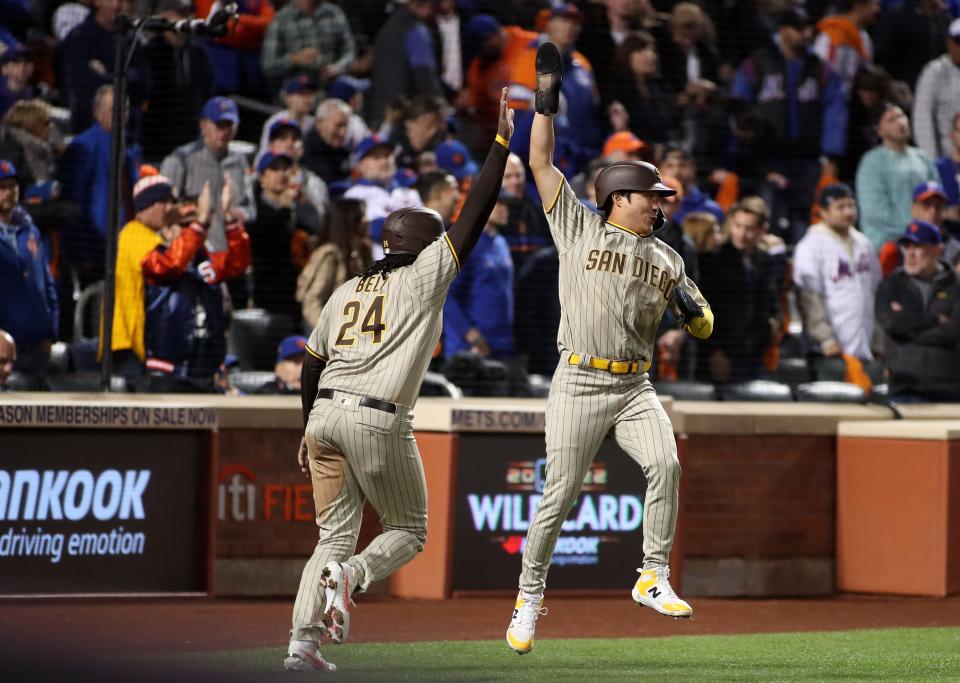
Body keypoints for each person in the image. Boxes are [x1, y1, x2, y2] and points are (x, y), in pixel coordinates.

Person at [283, 88, 514, 673]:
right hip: (377, 416)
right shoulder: (423, 276)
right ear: (423, 246)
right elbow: (475, 214)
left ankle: (300, 648)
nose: (445, 246)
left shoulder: (347, 289)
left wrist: (308, 426)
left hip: (326, 416)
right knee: (409, 530)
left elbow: (310, 364)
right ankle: (353, 576)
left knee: (331, 537)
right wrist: (500, 145)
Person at [504, 43, 713, 656]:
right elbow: (540, 161)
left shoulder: (669, 257)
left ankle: (651, 574)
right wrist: (546, 96)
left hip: (634, 386)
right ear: (621, 196)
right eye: (655, 196)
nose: (662, 203)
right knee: (560, 495)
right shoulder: (579, 225)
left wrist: (694, 313)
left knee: (667, 465)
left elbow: (700, 319)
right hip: (577, 380)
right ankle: (530, 596)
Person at [732, 9, 847, 242]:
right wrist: (750, 157)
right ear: (783, 31)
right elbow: (739, 111)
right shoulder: (757, 64)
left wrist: (830, 155)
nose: (806, 34)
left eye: (807, 28)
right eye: (799, 28)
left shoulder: (819, 68)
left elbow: (835, 110)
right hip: (767, 159)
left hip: (808, 160)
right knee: (768, 221)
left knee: (805, 224)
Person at [108, 175, 221, 385]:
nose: (170, 207)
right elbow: (165, 266)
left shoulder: (151, 236)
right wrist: (199, 224)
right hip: (127, 344)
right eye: (164, 202)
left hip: (140, 342)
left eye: (172, 202)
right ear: (146, 205)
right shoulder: (134, 233)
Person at [142, 185, 252, 393]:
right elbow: (173, 263)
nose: (195, 232)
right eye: (185, 226)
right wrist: (200, 221)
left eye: (199, 226)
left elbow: (239, 263)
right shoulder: (155, 259)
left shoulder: (207, 262)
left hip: (205, 371)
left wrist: (228, 217)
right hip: (168, 371)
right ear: (166, 230)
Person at [793, 184, 881, 370]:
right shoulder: (811, 245)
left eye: (851, 205)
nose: (848, 212)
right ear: (823, 212)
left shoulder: (864, 243)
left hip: (863, 345)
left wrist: (878, 340)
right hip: (829, 350)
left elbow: (876, 292)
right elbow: (809, 298)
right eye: (840, 207)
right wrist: (825, 339)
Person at [58, 85, 141, 276]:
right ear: (97, 112)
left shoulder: (132, 148)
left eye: (125, 109)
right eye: (114, 109)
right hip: (98, 250)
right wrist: (82, 254)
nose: (121, 114)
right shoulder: (83, 148)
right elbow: (74, 204)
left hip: (129, 246)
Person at [875, 220, 960, 402]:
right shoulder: (891, 285)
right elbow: (892, 323)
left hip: (950, 389)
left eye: (918, 247)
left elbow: (955, 331)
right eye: (906, 247)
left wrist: (909, 330)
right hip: (905, 388)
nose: (910, 254)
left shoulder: (956, 286)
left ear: (938, 250)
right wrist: (936, 320)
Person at [697, 200, 779, 384]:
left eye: (749, 228)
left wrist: (774, 322)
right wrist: (714, 351)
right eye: (738, 226)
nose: (742, 234)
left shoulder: (765, 260)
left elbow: (770, 301)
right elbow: (704, 309)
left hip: (755, 352)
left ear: (762, 230)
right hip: (722, 351)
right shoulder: (713, 259)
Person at [160, 96, 254, 251]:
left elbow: (250, 208)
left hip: (231, 253)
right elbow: (164, 211)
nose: (224, 131)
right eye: (219, 125)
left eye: (229, 125)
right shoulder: (181, 159)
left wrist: (241, 214)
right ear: (203, 125)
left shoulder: (240, 161)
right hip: (194, 253)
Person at [0, 160, 57, 378]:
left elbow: (46, 281)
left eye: (12, 186)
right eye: (2, 187)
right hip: (4, 347)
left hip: (36, 342)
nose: (8, 192)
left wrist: (50, 330)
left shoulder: (29, 229)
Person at [248, 152, 320, 325]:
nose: (281, 174)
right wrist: (285, 210)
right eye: (274, 169)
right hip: (270, 294)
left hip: (297, 291)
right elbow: (270, 245)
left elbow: (315, 228)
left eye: (285, 169)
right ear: (263, 177)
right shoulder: (257, 210)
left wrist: (300, 204)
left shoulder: (298, 206)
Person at [856, 103, 939, 251]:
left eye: (901, 116)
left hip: (924, 243)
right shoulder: (871, 161)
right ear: (879, 130)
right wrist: (914, 229)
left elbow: (937, 196)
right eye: (891, 120)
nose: (900, 122)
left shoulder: (922, 157)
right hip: (886, 247)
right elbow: (875, 212)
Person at [140, 0, 214, 163]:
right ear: (165, 16)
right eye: (180, 14)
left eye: (189, 14)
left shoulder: (198, 53)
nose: (186, 19)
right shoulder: (149, 53)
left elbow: (206, 94)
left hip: (190, 143)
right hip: (156, 145)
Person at [63, 0, 151, 135]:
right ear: (98, 2)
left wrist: (107, 76)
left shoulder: (131, 40)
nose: (122, 7)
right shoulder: (80, 38)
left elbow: (144, 82)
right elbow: (83, 88)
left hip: (129, 132)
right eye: (117, 1)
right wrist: (125, 78)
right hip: (88, 129)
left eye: (128, 2)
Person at [443, 195, 515, 360]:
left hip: (500, 344)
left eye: (506, 204)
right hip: (468, 348)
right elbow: (446, 295)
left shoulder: (501, 242)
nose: (505, 209)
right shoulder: (464, 242)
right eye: (499, 203)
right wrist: (469, 334)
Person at [366, 0, 443, 129]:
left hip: (381, 120)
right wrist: (443, 113)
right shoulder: (418, 31)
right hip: (407, 125)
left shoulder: (385, 30)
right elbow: (426, 80)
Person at [297, 197, 371, 329]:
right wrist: (330, 334)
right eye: (361, 217)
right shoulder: (329, 255)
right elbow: (312, 302)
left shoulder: (360, 252)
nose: (366, 221)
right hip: (330, 336)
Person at [343, 135, 421, 251]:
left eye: (388, 156)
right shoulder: (354, 195)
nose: (385, 161)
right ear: (360, 164)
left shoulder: (409, 193)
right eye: (376, 157)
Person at [260, 0, 356, 89]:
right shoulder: (281, 19)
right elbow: (268, 65)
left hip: (332, 87)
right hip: (296, 92)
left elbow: (350, 50)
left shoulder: (334, 13)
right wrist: (295, 59)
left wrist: (338, 67)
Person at [195, 0, 273, 100]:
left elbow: (268, 22)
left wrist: (240, 19)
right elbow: (212, 25)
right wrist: (249, 28)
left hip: (253, 53)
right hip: (218, 50)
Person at [913, 18, 960, 162]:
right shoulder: (934, 71)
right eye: (959, 43)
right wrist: (931, 162)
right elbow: (922, 118)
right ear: (949, 43)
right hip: (946, 158)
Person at [813, 0, 880, 94]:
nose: (877, 9)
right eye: (874, 4)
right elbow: (820, 77)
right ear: (858, 5)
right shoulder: (831, 34)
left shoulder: (864, 38)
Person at [257, 76, 319, 160]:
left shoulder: (315, 124)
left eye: (310, 94)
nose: (307, 99)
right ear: (288, 98)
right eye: (302, 94)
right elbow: (264, 154)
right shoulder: (275, 121)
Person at [302, 98, 353, 185]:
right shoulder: (304, 152)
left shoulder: (342, 151)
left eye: (345, 126)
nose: (343, 132)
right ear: (319, 123)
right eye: (338, 125)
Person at [0, 43, 34, 120]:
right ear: (4, 68)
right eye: (16, 62)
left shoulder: (37, 94)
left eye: (27, 62)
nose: (22, 67)